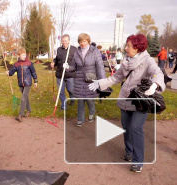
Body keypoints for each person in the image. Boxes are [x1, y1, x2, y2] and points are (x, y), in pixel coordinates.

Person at [89, 34, 165, 172]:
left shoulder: (148, 61)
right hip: (125, 97)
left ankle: (138, 161)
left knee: (136, 128)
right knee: (126, 128)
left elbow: (158, 73)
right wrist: (100, 83)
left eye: (128, 46)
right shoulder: (126, 60)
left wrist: (155, 85)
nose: (125, 48)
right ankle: (129, 153)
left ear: (137, 48)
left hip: (141, 100)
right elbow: (117, 77)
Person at [65, 33, 105, 127]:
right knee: (81, 101)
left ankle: (92, 112)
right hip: (79, 80)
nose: (82, 43)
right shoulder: (76, 52)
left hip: (91, 80)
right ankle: (80, 119)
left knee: (90, 100)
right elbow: (73, 67)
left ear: (88, 41)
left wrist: (102, 81)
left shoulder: (95, 52)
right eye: (80, 41)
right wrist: (67, 67)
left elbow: (100, 67)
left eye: (84, 41)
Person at [6, 48, 38, 122]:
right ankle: (29, 110)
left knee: (23, 98)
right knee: (26, 97)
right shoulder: (16, 64)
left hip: (28, 83)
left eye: (24, 55)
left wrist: (35, 81)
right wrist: (9, 73)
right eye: (22, 55)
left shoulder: (29, 63)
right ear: (19, 55)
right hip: (20, 83)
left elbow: (33, 72)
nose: (24, 56)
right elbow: (12, 72)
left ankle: (20, 115)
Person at [51, 34, 77, 110]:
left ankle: (72, 98)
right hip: (60, 74)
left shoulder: (74, 49)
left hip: (70, 74)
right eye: (63, 41)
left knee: (71, 90)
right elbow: (56, 59)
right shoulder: (59, 49)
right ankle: (64, 105)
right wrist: (54, 63)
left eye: (66, 41)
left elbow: (77, 62)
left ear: (69, 41)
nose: (64, 42)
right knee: (61, 91)